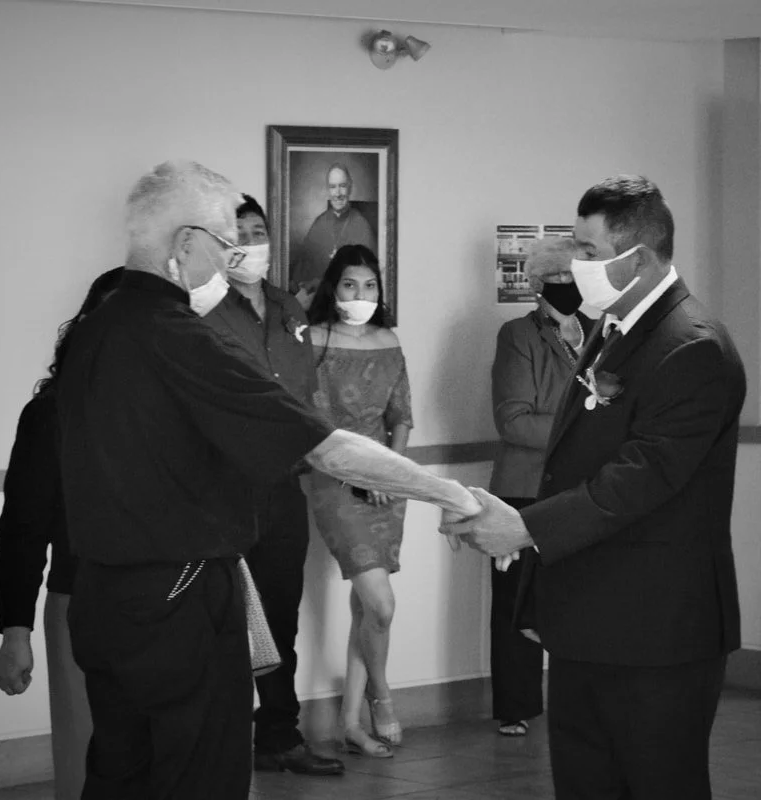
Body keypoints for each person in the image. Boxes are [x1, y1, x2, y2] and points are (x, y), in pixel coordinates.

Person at [56, 160, 481, 800]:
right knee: (199, 776)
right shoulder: (176, 335)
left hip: (103, 598)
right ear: (185, 244)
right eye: (227, 244)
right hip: (176, 600)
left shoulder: (94, 328)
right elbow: (325, 445)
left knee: (122, 772)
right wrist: (455, 493)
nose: (232, 262)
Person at [443, 174, 745, 800]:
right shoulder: (614, 329)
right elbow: (572, 464)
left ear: (636, 258)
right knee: (586, 783)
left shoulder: (692, 346)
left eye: (587, 250)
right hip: (590, 620)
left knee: (658, 784)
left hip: (657, 630)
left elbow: (638, 479)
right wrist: (536, 594)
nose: (573, 265)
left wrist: (525, 527)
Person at [202, 195, 344, 776]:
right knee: (226, 618)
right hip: (225, 490)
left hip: (285, 487)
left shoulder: (290, 309)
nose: (249, 242)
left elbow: (306, 394)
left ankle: (279, 736)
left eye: (257, 230)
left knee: (280, 612)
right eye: (236, 232)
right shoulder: (202, 310)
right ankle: (220, 742)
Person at [0, 267, 123, 800]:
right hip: (82, 607)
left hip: (173, 608)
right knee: (88, 763)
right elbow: (23, 526)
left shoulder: (178, 413)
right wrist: (15, 631)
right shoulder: (50, 415)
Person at [306, 244, 411, 760]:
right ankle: (382, 695)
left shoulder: (388, 340)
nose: (360, 295)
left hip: (386, 487)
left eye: (370, 285)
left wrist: (389, 471)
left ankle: (349, 722)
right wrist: (360, 472)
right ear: (333, 287)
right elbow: (314, 425)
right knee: (381, 606)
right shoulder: (314, 342)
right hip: (333, 481)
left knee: (365, 610)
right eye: (351, 284)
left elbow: (402, 417)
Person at [488, 237, 593, 737]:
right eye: (559, 279)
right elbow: (513, 421)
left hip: (581, 488)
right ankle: (516, 705)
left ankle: (582, 698)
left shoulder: (599, 332)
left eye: (576, 277)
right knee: (516, 602)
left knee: (577, 597)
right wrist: (583, 427)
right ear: (537, 285)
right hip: (524, 489)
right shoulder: (518, 335)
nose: (569, 287)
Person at [291, 163, 377, 300]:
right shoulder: (319, 222)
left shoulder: (362, 225)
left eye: (342, 186)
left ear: (350, 187)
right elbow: (302, 269)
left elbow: (367, 278)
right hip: (318, 302)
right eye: (333, 187)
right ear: (328, 190)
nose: (337, 194)